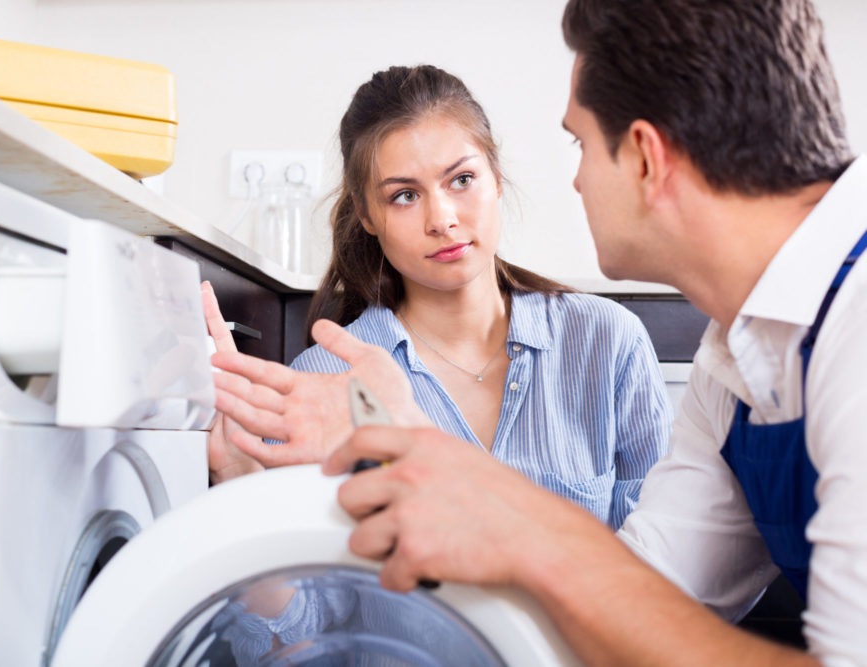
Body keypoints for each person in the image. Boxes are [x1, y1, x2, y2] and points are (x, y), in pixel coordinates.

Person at [213, 0, 867, 663]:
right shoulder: (733, 363)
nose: (577, 177)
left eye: (580, 143)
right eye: (405, 194)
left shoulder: (853, 331)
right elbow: (641, 599)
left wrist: (431, 458)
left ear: (644, 157)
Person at [205, 64, 672, 531]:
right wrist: (239, 483)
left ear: (497, 178)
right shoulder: (322, 383)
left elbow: (666, 568)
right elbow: (308, 606)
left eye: (462, 180)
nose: (441, 219)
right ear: (366, 214)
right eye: (405, 196)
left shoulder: (606, 341)